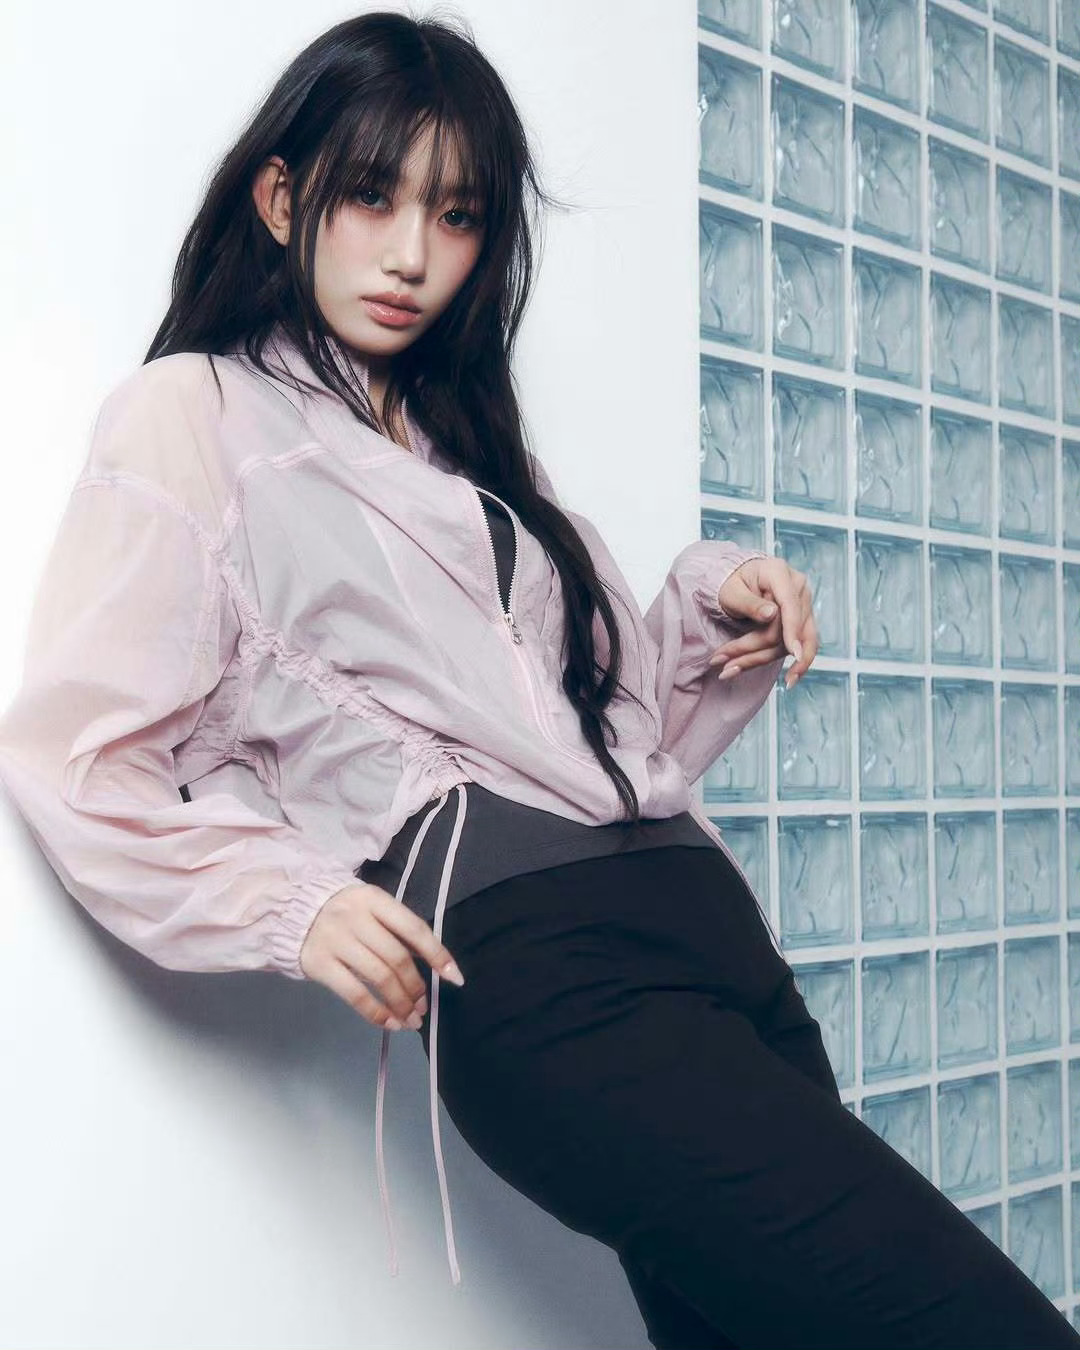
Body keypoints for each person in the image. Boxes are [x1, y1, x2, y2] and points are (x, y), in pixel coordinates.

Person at [0, 11, 1076, 1348]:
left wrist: (718, 601)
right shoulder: (194, 415)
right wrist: (288, 903)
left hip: (713, 934)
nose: (411, 254)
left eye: (456, 215)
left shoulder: (477, 451)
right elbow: (77, 752)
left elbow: (594, 730)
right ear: (281, 199)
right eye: (372, 195)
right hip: (551, 973)